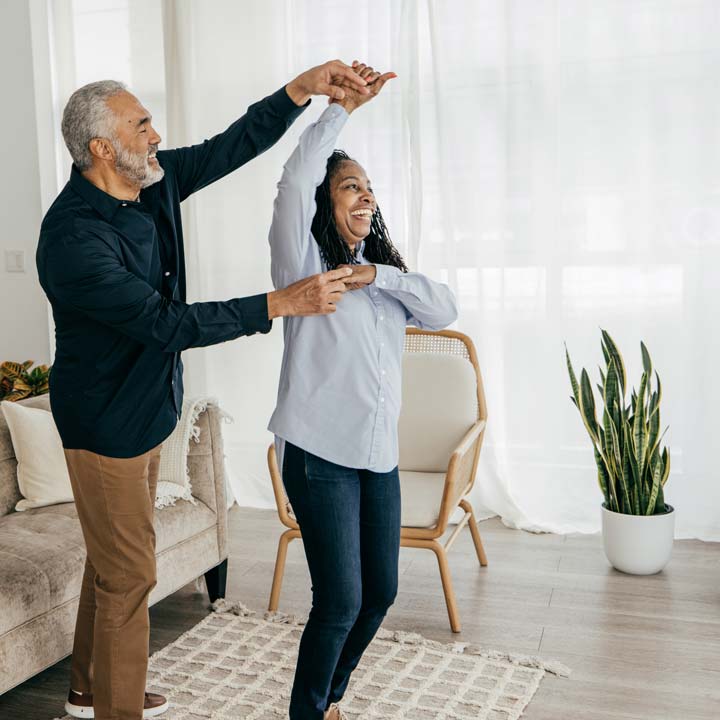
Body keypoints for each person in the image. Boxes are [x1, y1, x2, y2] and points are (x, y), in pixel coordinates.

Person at [36, 60, 369, 720]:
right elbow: (167, 325)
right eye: (142, 124)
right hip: (103, 427)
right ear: (102, 147)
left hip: (147, 408)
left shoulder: (151, 183)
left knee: (113, 562)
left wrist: (303, 91)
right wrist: (281, 302)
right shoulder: (74, 239)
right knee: (131, 575)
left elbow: (233, 145)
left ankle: (87, 687)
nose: (157, 134)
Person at [267, 63, 458, 720]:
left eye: (371, 189)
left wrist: (378, 274)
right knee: (339, 601)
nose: (366, 197)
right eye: (351, 186)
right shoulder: (304, 265)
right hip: (318, 454)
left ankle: (329, 699)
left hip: (377, 458)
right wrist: (342, 111)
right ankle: (307, 713)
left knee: (379, 593)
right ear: (327, 199)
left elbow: (444, 308)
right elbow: (295, 178)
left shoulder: (383, 285)